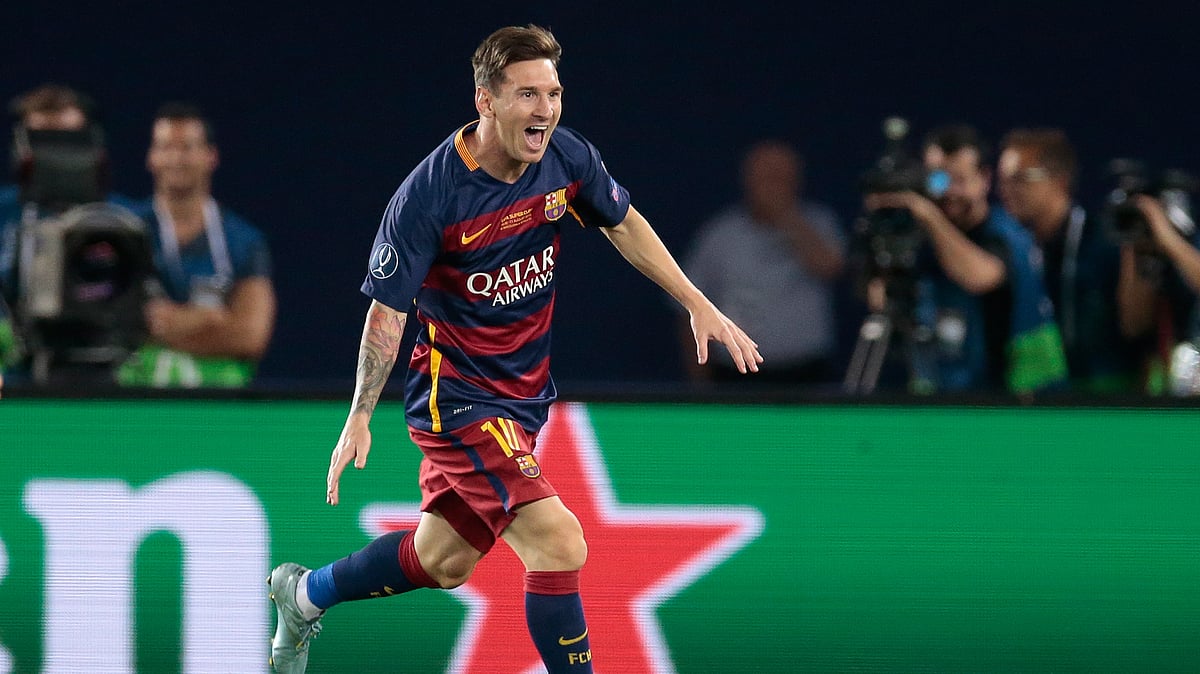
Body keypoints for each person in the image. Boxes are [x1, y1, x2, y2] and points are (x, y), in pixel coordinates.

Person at [266, 24, 761, 674]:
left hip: (523, 399)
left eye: (553, 93)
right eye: (528, 95)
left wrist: (696, 300)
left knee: (442, 559)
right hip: (459, 403)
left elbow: (623, 221)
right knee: (559, 542)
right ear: (486, 101)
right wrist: (360, 412)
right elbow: (388, 312)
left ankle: (302, 596)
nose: (546, 110)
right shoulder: (429, 196)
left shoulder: (565, 159)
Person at [863, 123, 1067, 394]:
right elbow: (881, 299)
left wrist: (928, 216)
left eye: (959, 180)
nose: (948, 192)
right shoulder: (918, 239)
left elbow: (980, 277)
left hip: (1016, 399)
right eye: (938, 180)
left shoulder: (1007, 235)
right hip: (939, 395)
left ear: (984, 178)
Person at [115, 102, 276, 388]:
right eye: (165, 147)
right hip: (135, 399)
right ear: (151, 157)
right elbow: (110, 324)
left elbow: (251, 336)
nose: (176, 158)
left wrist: (160, 326)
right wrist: (209, 321)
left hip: (215, 404)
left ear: (210, 156)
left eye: (187, 147)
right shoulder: (122, 229)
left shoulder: (244, 240)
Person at [681, 140, 845, 386]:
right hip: (735, 371)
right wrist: (700, 380)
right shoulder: (720, 233)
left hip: (807, 371)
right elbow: (687, 304)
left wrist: (787, 218)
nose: (772, 186)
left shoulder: (820, 222)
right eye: (765, 177)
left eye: (780, 177)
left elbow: (830, 267)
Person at [0, 83, 125, 395]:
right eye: (42, 140)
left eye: (68, 141)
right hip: (13, 387)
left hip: (105, 386)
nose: (54, 156)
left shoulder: (124, 221)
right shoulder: (2, 213)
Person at [996, 128, 1141, 393]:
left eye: (1019, 179)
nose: (1006, 191)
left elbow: (1136, 327)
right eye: (1003, 181)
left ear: (1059, 181)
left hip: (1117, 403)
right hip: (1048, 404)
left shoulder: (1106, 244)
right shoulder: (1011, 245)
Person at [1114, 191, 1200, 393]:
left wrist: (1169, 240)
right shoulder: (1152, 257)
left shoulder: (1182, 246)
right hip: (1163, 393)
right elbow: (1132, 324)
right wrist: (1135, 249)